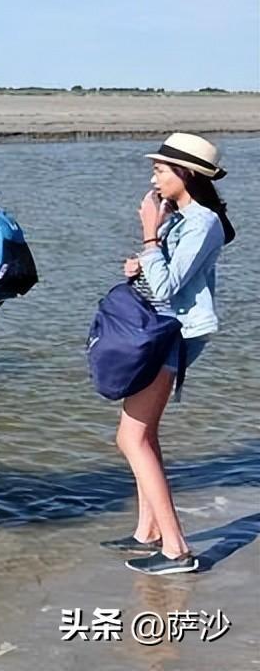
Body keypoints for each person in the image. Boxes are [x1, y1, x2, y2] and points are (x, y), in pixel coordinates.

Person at [105, 133, 234, 576]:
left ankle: (177, 549)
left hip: (172, 335)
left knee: (131, 438)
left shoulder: (203, 222)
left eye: (160, 170)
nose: (153, 178)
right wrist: (141, 262)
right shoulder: (181, 219)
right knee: (144, 433)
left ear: (187, 174)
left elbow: (167, 288)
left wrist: (148, 235)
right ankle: (148, 532)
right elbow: (162, 274)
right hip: (160, 330)